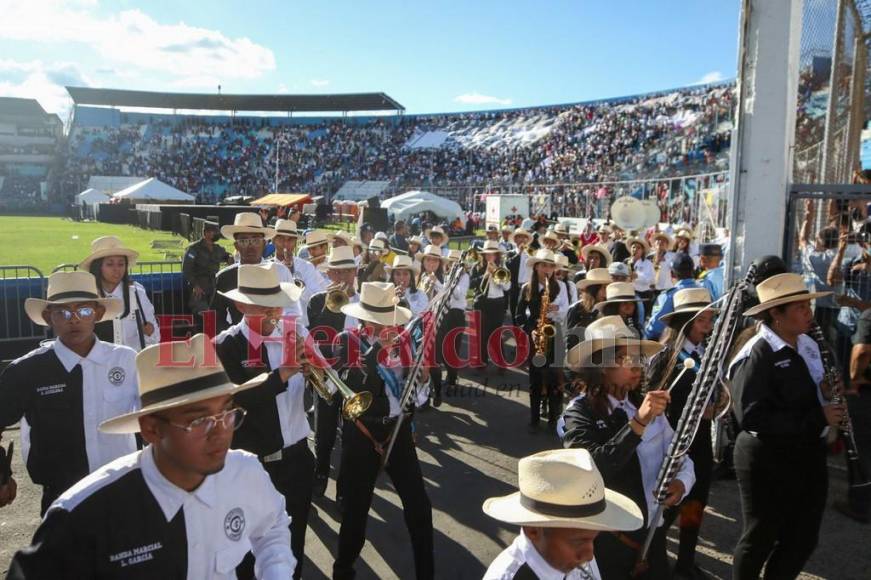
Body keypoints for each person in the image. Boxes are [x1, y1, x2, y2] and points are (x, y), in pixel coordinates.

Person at [6, 334, 296, 578]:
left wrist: (277, 572)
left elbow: (272, 526)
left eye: (227, 413)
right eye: (199, 421)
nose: (220, 432)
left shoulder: (244, 472)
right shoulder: (81, 517)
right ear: (151, 429)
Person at [728, 273, 846, 579]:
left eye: (809, 305)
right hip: (767, 458)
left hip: (807, 452)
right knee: (761, 537)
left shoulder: (810, 344)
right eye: (800, 307)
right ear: (776, 315)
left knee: (803, 538)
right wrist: (819, 417)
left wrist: (828, 394)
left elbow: (811, 390)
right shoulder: (757, 353)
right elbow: (752, 417)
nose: (809, 313)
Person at [562, 316, 694, 579]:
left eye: (638, 358)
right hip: (607, 539)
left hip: (652, 531)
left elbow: (679, 452)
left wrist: (681, 484)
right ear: (600, 366)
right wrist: (638, 423)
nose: (636, 366)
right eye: (624, 359)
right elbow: (593, 470)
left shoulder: (643, 403)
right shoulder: (579, 412)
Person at [0, 271, 138, 515]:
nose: (73, 320)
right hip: (60, 496)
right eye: (62, 312)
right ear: (48, 317)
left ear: (98, 313)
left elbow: (156, 418)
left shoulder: (126, 360)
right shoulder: (27, 370)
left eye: (84, 311)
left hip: (121, 489)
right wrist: (2, 474)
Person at [331, 282, 434, 580]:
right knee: (355, 513)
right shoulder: (347, 339)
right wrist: (379, 348)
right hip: (362, 434)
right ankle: (343, 570)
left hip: (398, 431)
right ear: (364, 318)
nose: (385, 324)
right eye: (377, 318)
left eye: (388, 317)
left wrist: (423, 377)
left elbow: (416, 395)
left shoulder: (406, 343)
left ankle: (426, 573)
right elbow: (353, 386)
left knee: (419, 508)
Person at [213, 264, 310, 579]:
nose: (272, 309)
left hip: (297, 460)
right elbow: (236, 399)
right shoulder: (224, 346)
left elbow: (326, 392)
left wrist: (319, 374)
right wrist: (283, 374)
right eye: (261, 302)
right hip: (254, 466)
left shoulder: (296, 335)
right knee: (245, 554)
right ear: (240, 305)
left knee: (293, 551)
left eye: (275, 300)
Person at [482, 448, 643, 580]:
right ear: (533, 530)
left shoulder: (570, 556)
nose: (589, 555)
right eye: (579, 541)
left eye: (594, 538)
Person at [648, 288, 717, 579]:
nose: (709, 327)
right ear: (688, 322)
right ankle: (653, 558)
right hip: (674, 440)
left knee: (697, 499)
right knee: (667, 506)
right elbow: (653, 402)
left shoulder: (708, 351)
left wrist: (717, 403)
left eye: (710, 320)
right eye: (703, 321)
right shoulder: (665, 356)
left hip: (701, 439)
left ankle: (686, 560)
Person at [307, 246, 360, 499]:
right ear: (329, 274)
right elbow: (315, 335)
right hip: (326, 375)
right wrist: (330, 307)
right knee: (324, 432)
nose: (342, 277)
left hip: (354, 376)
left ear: (355, 272)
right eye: (337, 272)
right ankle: (319, 473)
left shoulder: (363, 301)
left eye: (348, 271)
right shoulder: (318, 300)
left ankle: (344, 487)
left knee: (351, 436)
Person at [211, 212, 295, 332]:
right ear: (236, 246)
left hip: (276, 340)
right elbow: (216, 318)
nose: (250, 246)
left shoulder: (281, 272)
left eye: (256, 240)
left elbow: (292, 309)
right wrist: (234, 339)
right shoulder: (224, 277)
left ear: (264, 243)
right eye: (244, 241)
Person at [517, 249, 569, 431]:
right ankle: (534, 418)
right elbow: (519, 315)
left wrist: (556, 310)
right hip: (535, 335)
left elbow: (566, 311)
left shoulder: (560, 286)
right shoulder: (526, 288)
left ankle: (554, 418)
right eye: (544, 265)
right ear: (536, 266)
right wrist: (530, 331)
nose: (547, 269)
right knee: (536, 379)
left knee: (555, 377)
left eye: (551, 266)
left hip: (555, 333)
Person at [81, 235, 160, 351]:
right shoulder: (88, 295)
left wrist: (150, 331)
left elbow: (154, 337)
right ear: (98, 267)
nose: (116, 269)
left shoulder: (137, 291)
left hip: (133, 360)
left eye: (121, 264)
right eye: (110, 264)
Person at [843, 307, 871, 523]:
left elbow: (862, 351)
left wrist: (854, 378)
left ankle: (861, 504)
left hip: (866, 391)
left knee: (861, 447)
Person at [470, 240, 511, 368]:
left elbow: (507, 287)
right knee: (481, 335)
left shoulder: (502, 268)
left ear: (497, 255)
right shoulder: (476, 266)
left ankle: (500, 362)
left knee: (496, 335)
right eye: (487, 254)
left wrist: (495, 274)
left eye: (492, 254)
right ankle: (482, 361)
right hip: (481, 303)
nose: (489, 257)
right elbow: (471, 284)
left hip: (497, 305)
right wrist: (485, 275)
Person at [644, 253, 699, 341]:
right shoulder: (703, 289)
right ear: (693, 271)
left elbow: (655, 328)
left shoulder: (669, 295)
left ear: (672, 274)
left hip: (676, 344)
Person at [272, 218, 329, 304]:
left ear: (295, 243)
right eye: (281, 239)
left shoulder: (306, 266)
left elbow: (316, 296)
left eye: (290, 240)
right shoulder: (266, 267)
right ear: (273, 240)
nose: (285, 244)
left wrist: (294, 279)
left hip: (300, 316)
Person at [182, 221, 231, 320]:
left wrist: (230, 258)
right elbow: (186, 268)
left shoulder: (218, 249)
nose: (216, 234)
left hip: (214, 286)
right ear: (206, 233)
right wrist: (195, 285)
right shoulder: (194, 248)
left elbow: (227, 256)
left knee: (215, 314)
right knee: (201, 314)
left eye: (216, 232)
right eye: (214, 232)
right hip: (199, 286)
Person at [507, 228, 533, 324]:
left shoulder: (531, 253)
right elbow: (509, 265)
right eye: (519, 237)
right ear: (515, 240)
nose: (522, 239)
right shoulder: (511, 253)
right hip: (515, 287)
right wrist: (519, 253)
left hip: (528, 287)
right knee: (514, 312)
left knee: (528, 312)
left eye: (524, 237)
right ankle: (516, 332)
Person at [627, 237, 655, 311]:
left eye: (638, 248)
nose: (635, 249)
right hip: (629, 294)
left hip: (643, 295)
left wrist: (637, 276)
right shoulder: (626, 262)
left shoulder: (647, 263)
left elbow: (650, 280)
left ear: (643, 251)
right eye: (633, 247)